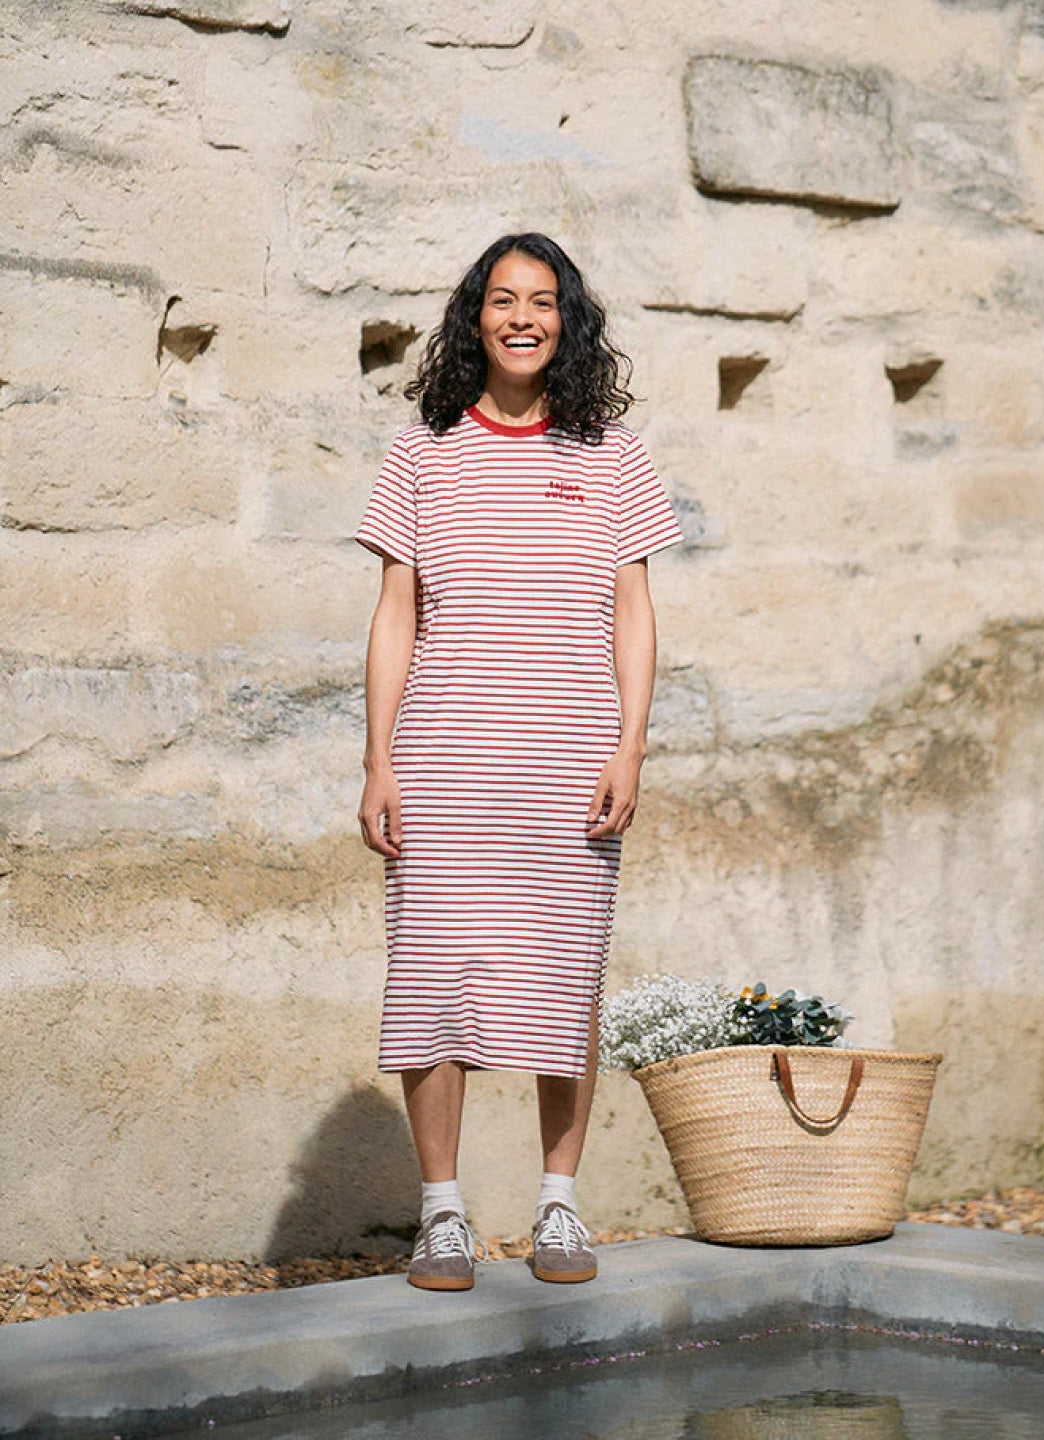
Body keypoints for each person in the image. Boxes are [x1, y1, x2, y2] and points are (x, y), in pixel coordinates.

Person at [356, 232, 682, 1292]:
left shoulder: (612, 454)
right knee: (430, 977)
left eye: (543, 300)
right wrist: (378, 761)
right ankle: (442, 1214)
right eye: (504, 299)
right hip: (444, 763)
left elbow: (634, 610)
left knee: (562, 979)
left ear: (568, 319)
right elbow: (395, 613)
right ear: (475, 317)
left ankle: (558, 1206)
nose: (523, 316)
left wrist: (630, 744)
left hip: (569, 765)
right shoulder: (422, 451)